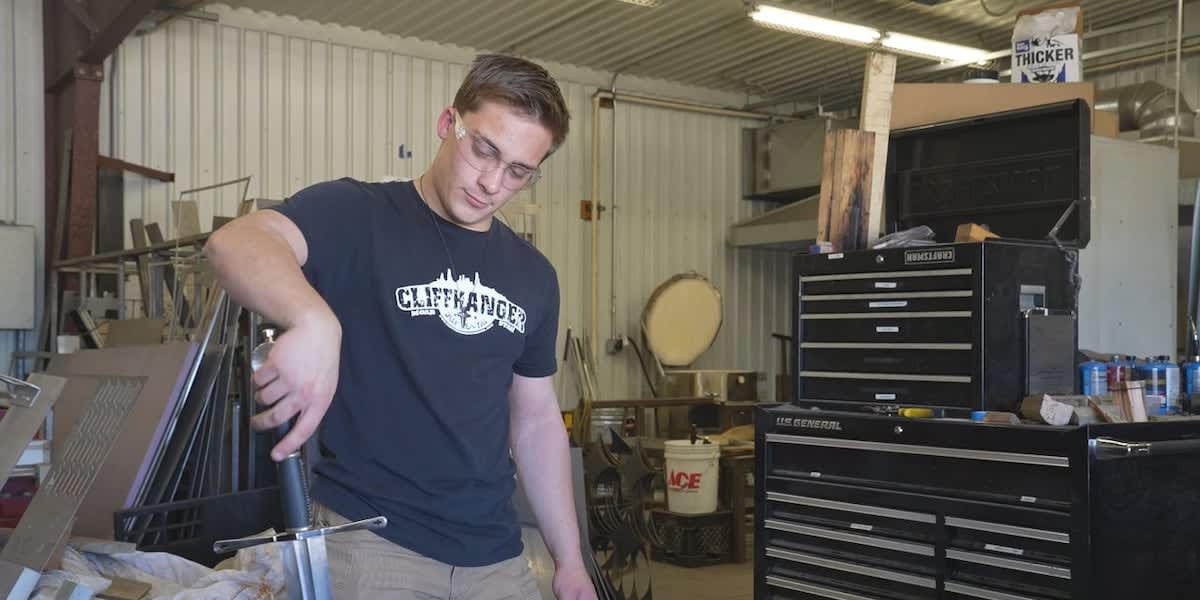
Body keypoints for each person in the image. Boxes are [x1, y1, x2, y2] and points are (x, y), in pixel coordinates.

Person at [205, 53, 596, 600]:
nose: (491, 182)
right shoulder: (356, 214)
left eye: (518, 172)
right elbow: (234, 242)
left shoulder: (533, 275)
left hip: (497, 559)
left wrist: (570, 559)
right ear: (447, 124)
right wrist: (314, 320)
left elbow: (534, 421)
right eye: (484, 149)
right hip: (373, 546)